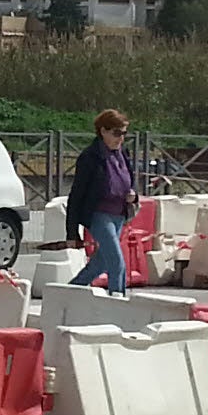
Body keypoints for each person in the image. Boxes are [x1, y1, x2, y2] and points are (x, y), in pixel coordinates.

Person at [65, 108, 136, 291]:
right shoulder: (89, 157)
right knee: (117, 263)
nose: (120, 138)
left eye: (124, 134)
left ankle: (69, 291)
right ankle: (118, 304)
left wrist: (133, 196)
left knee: (102, 262)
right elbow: (76, 194)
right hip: (99, 215)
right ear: (103, 131)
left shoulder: (123, 153)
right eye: (116, 133)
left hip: (119, 214)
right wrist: (72, 233)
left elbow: (129, 179)